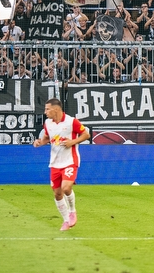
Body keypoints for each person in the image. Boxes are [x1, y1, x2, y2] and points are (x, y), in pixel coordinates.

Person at [33, 97, 90, 231]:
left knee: (66, 188)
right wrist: (40, 142)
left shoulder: (71, 121)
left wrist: (72, 142)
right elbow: (47, 137)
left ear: (56, 109)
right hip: (55, 163)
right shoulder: (48, 123)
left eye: (47, 109)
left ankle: (72, 211)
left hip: (70, 160)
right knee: (57, 194)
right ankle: (66, 220)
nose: (45, 112)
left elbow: (86, 135)